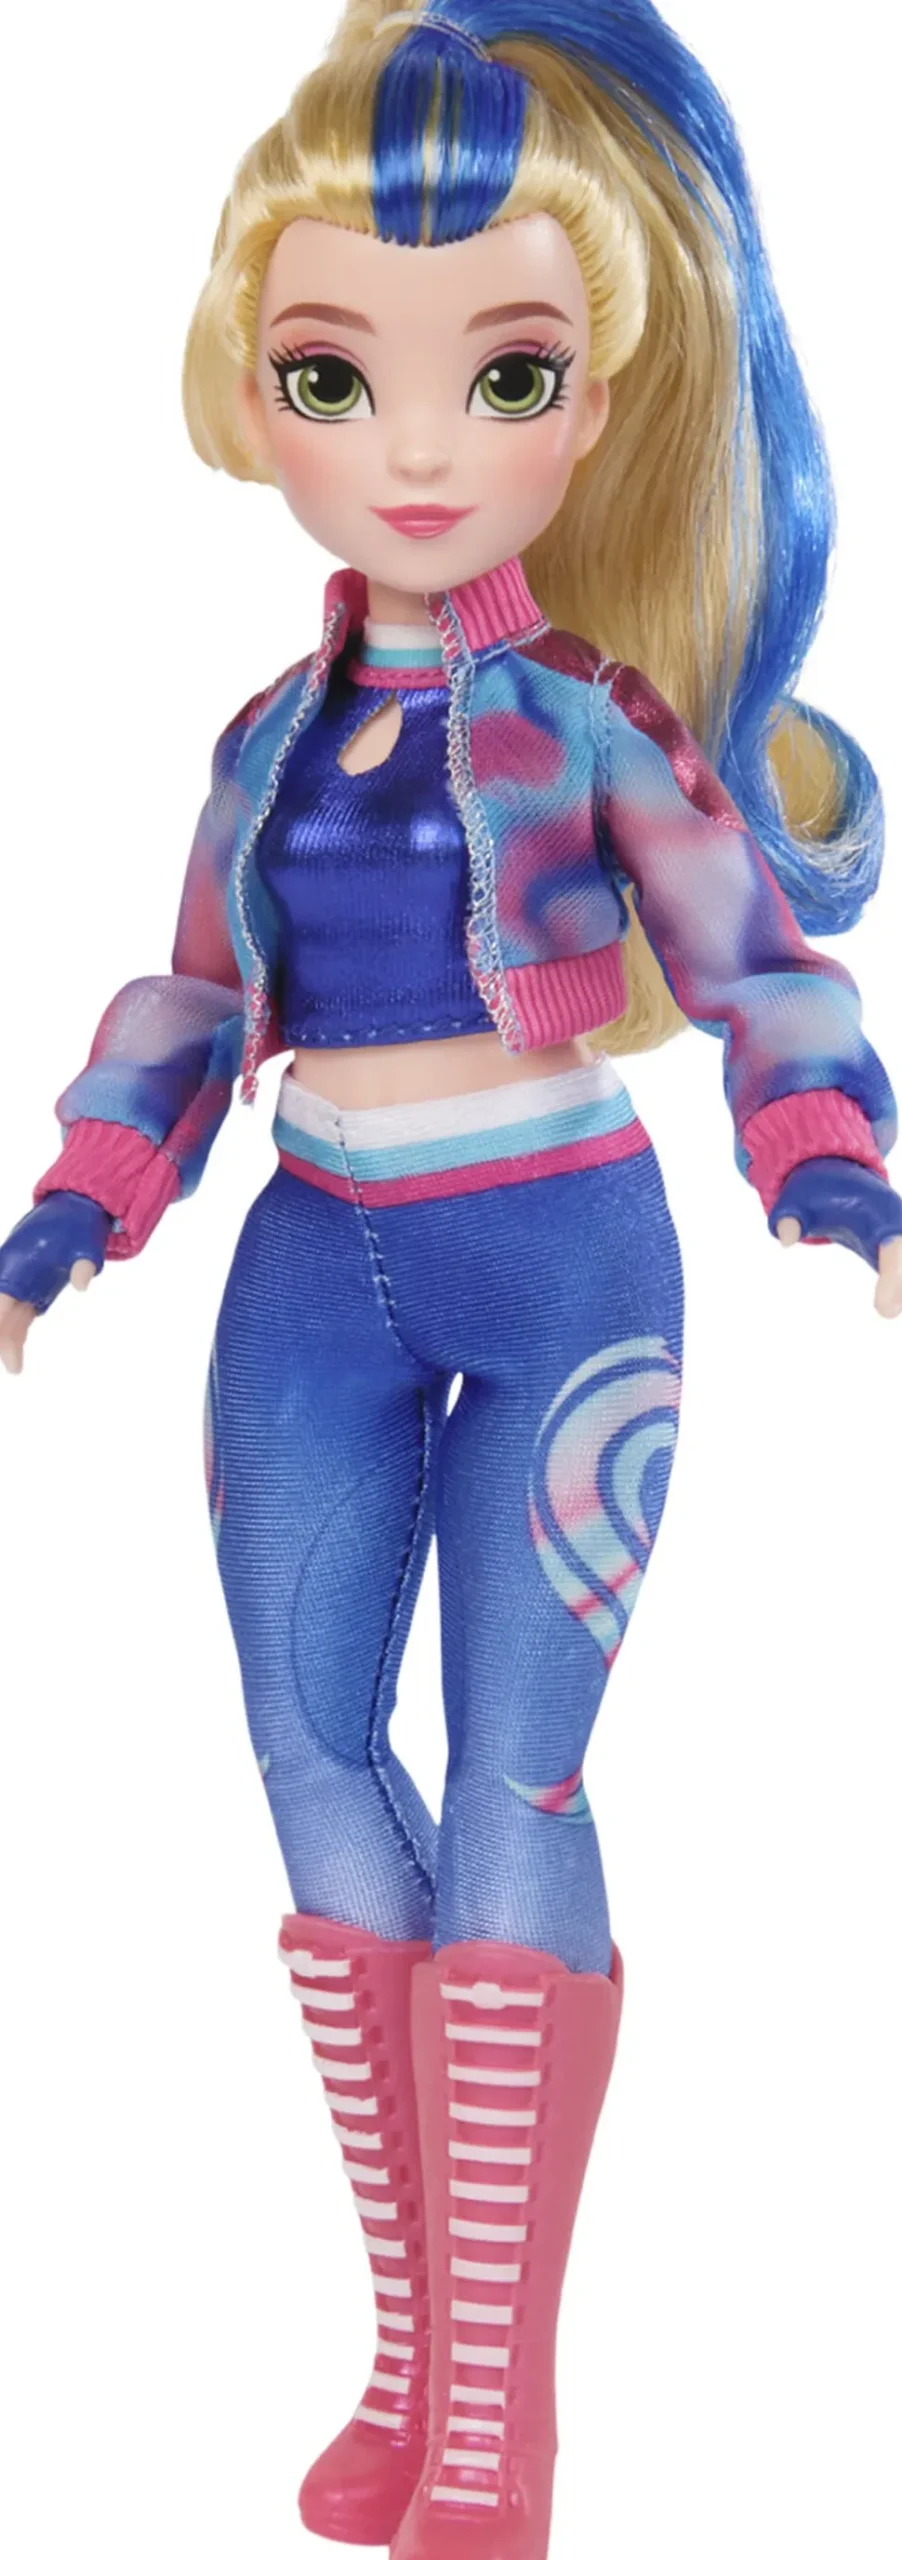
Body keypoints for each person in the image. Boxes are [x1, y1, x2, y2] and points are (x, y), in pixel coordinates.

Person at [1, 7, 899, 2554]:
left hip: (559, 1257)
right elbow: (188, 1007)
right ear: (252, 390)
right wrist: (64, 1221)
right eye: (333, 373)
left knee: (513, 1771)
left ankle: (500, 2411)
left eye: (500, 372)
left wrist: (835, 1168)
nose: (414, 443)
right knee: (311, 1760)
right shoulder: (260, 744)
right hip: (309, 1261)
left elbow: (756, 964)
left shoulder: (597, 720)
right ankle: (415, 2354)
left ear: (590, 403)